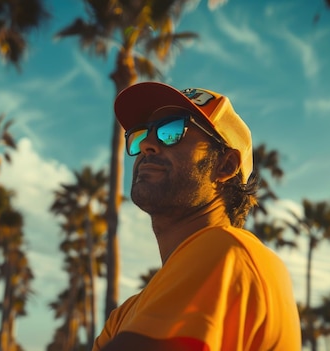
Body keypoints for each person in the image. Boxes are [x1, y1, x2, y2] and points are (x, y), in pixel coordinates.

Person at [93, 82, 301, 351]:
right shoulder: (123, 315)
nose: (146, 144)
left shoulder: (229, 252)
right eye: (141, 134)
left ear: (225, 165)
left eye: (173, 131)